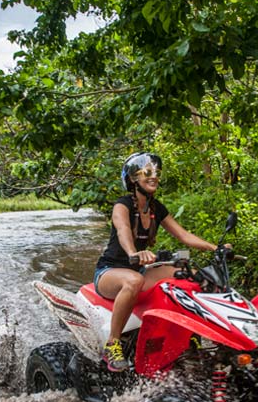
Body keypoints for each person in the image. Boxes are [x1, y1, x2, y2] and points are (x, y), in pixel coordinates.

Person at [94, 152, 226, 371]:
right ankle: (113, 344)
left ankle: (191, 338)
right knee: (133, 281)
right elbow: (123, 230)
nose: (153, 176)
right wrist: (133, 252)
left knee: (192, 275)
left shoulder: (156, 208)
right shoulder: (122, 205)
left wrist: (216, 248)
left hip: (140, 270)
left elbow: (184, 236)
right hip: (110, 271)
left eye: (156, 172)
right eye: (146, 172)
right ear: (133, 179)